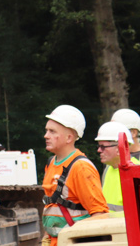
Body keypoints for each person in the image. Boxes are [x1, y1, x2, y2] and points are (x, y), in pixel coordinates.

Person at [40, 105, 107, 245]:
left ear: (69, 137)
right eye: (47, 130)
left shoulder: (81, 167)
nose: (46, 135)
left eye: (52, 131)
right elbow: (52, 205)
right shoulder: (51, 163)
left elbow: (100, 215)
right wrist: (47, 236)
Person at [94, 121, 133, 213]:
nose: (99, 150)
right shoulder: (108, 169)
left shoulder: (136, 171)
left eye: (103, 146)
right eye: (98, 146)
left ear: (120, 148)